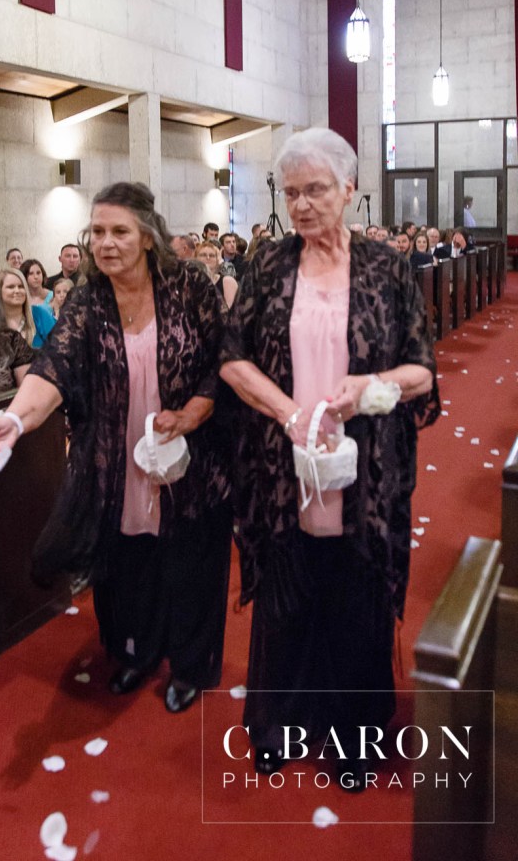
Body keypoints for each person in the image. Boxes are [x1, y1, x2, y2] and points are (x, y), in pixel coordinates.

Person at [0, 182, 232, 714]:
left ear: (147, 236)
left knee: (191, 561)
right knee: (127, 561)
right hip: (117, 453)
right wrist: (13, 418)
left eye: (119, 231)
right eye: (97, 232)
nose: (105, 243)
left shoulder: (190, 284)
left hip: (191, 448)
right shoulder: (90, 298)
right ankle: (135, 651)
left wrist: (193, 414)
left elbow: (225, 358)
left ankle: (191, 665)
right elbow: (54, 367)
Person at [220, 128, 438, 790]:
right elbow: (232, 359)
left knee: (354, 600)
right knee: (286, 598)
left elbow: (422, 373)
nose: (302, 204)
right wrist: (289, 414)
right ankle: (280, 725)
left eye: (315, 189)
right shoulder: (268, 264)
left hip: (364, 470)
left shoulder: (386, 268)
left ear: (348, 189)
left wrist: (368, 389)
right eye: (291, 193)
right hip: (281, 467)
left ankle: (354, 739)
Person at [0, 268, 37, 346]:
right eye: (11, 287)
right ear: (0, 290)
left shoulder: (40, 314)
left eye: (21, 286)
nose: (17, 291)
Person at [195, 241, 238, 308]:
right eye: (203, 255)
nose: (208, 257)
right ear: (195, 259)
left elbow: (229, 310)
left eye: (212, 255)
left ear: (217, 260)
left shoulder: (227, 281)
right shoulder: (190, 281)